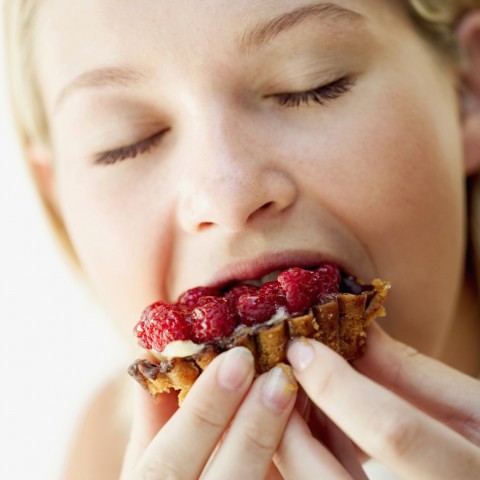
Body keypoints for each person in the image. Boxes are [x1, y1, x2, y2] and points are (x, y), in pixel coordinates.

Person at [4, 0, 480, 478]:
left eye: (310, 85)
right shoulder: (105, 456)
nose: (226, 196)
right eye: (125, 142)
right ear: (59, 193)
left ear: (468, 90)